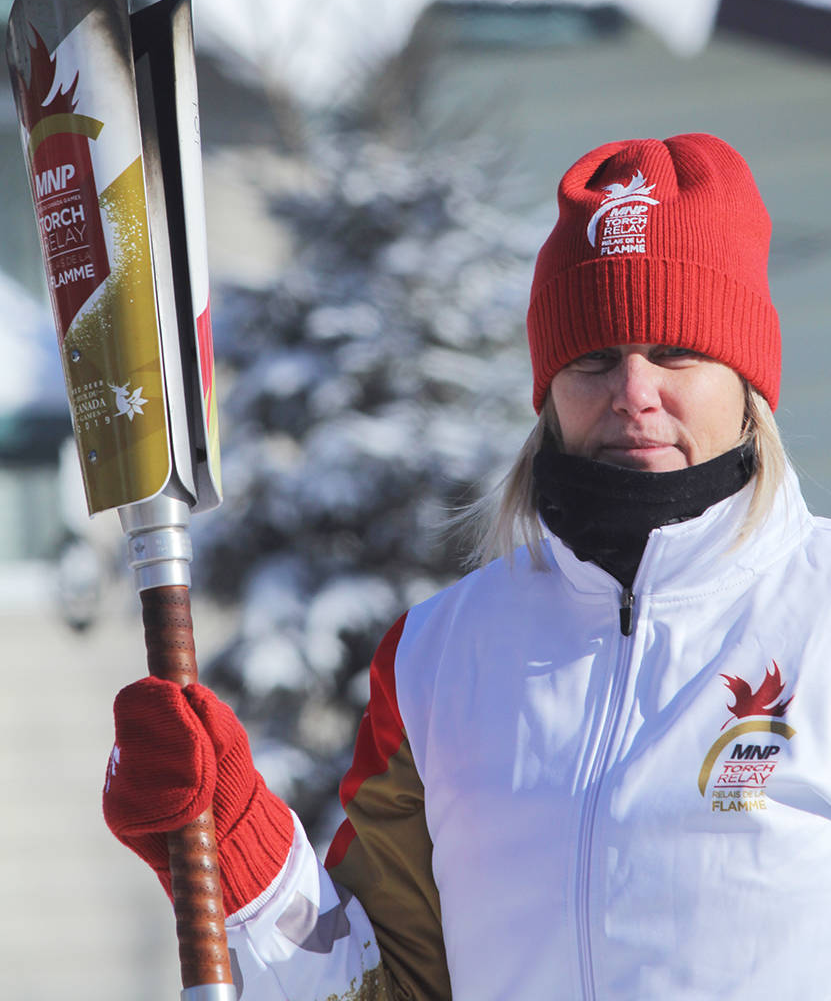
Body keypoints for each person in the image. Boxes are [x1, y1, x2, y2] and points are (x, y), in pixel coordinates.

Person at [103, 133, 831, 1001]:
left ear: (747, 385)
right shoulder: (438, 655)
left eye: (674, 353)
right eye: (592, 359)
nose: (632, 391)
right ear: (549, 395)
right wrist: (238, 850)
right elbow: (383, 984)